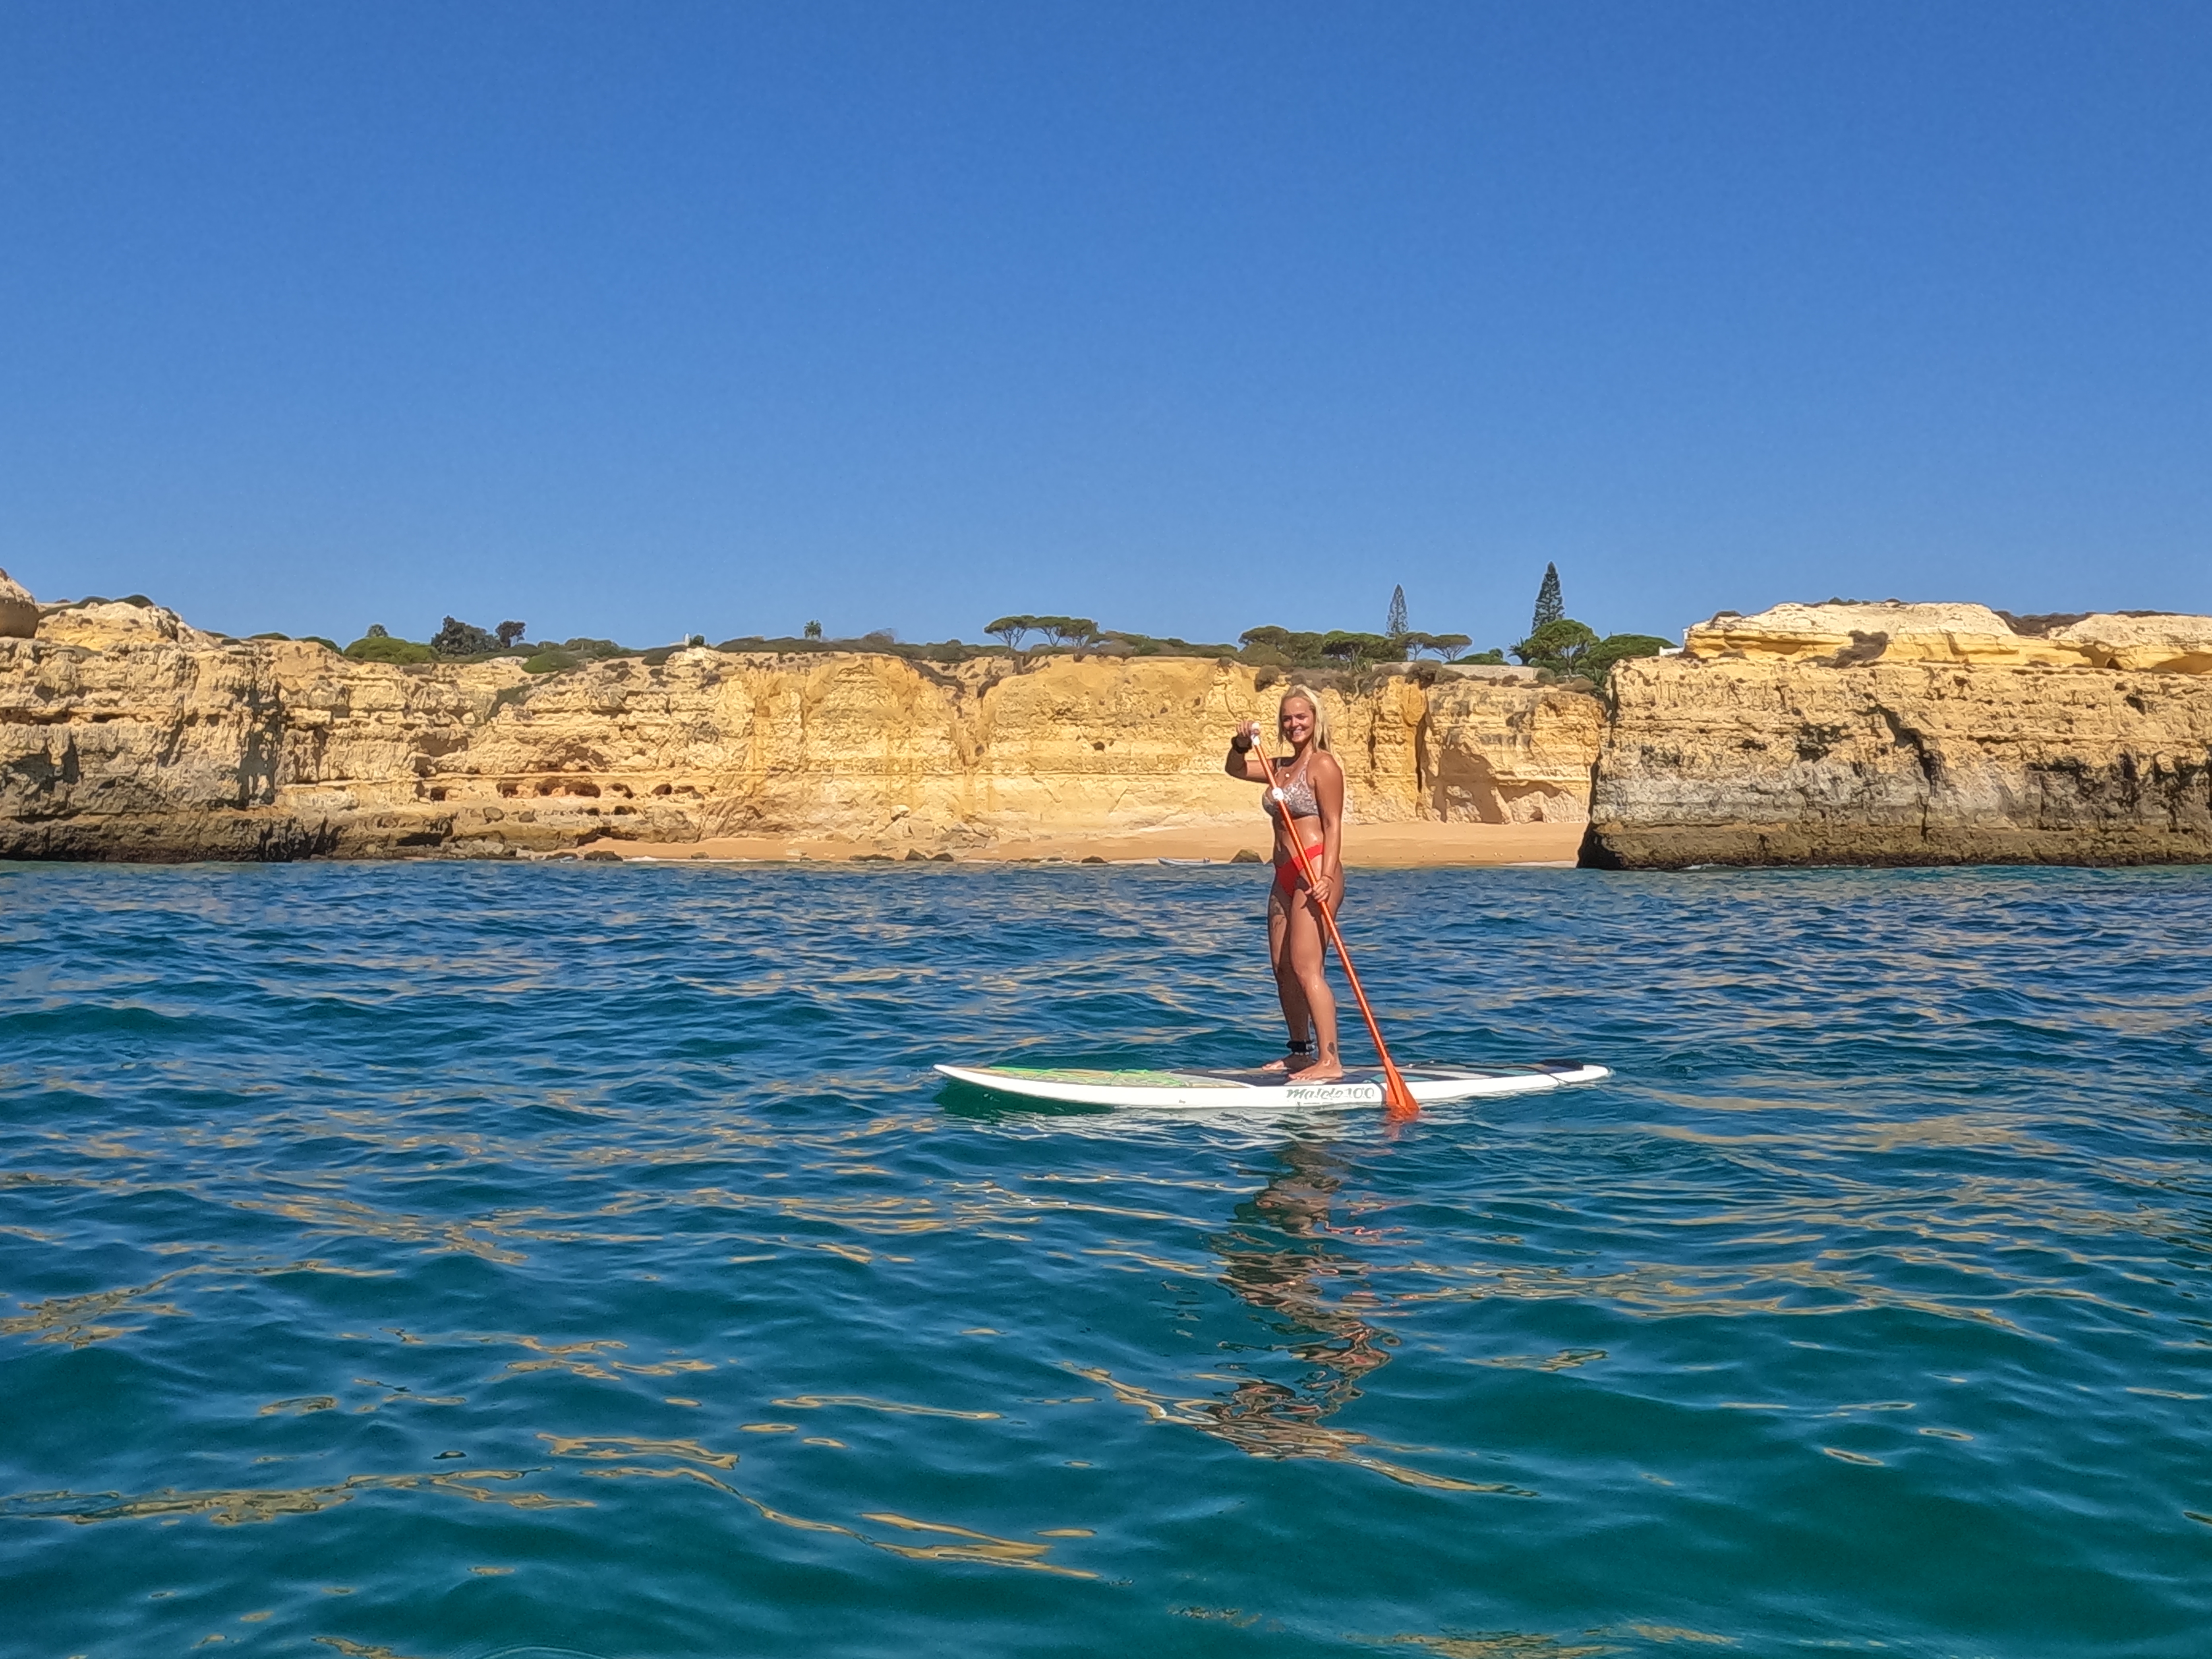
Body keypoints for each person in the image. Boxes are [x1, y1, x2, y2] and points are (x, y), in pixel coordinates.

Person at [1225, 688, 1346, 1081]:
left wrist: (1327, 877)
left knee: (1307, 966)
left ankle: (1330, 1060)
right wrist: (1239, 744)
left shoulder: (1323, 765)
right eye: (1287, 719)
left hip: (1314, 871)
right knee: (1282, 968)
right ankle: (1300, 1051)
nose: (1294, 724)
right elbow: (1236, 769)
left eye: (1301, 717)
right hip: (1283, 874)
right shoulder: (1278, 765)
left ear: (1315, 718)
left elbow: (1332, 824)